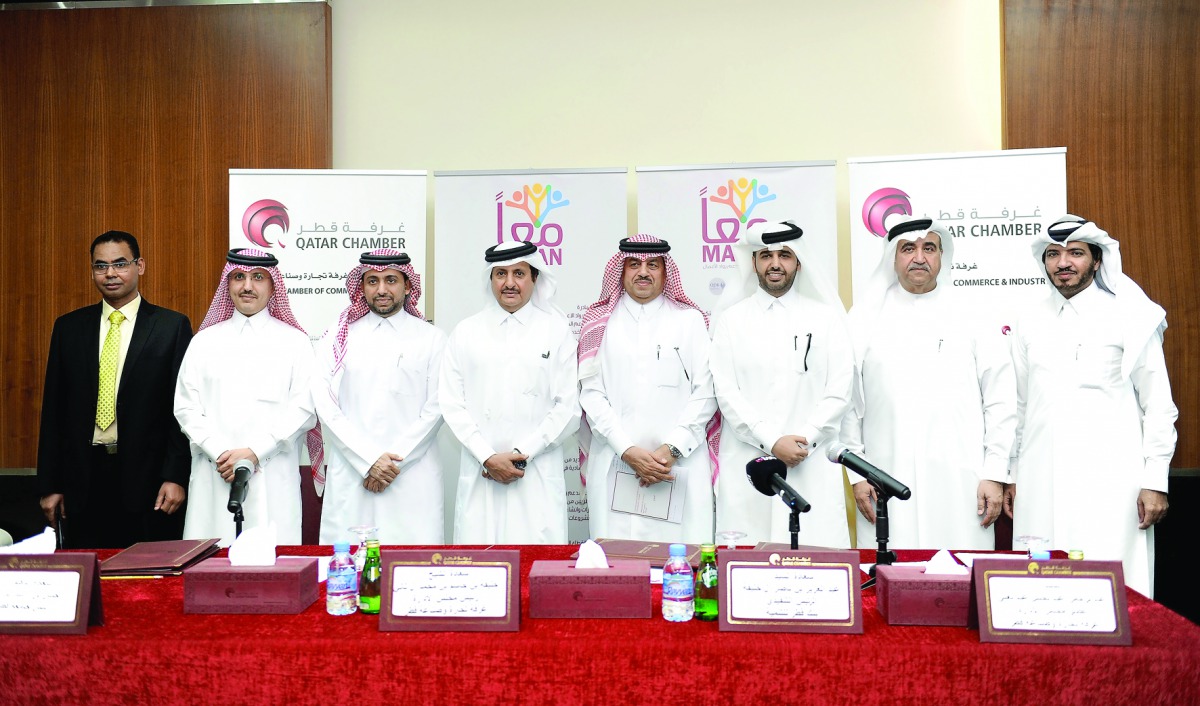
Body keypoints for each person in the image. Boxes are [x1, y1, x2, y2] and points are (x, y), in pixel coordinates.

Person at [1007, 215, 1177, 596]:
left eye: (1076, 253)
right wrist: (1013, 473)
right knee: (1042, 588)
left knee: (1113, 589)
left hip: (1111, 481)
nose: (1063, 262)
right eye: (1054, 254)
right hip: (1041, 480)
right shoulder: (1028, 320)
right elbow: (1019, 405)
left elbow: (1159, 404)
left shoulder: (1129, 315)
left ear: (1097, 261)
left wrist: (1155, 480)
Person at [841, 216, 1016, 550]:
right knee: (889, 569)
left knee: (961, 568)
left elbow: (1000, 398)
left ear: (941, 256)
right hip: (884, 477)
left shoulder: (974, 312)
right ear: (893, 256)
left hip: (961, 479)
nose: (919, 257)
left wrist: (994, 473)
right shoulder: (863, 318)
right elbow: (847, 404)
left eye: (929, 249)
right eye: (908, 248)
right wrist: (858, 474)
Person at [37, 230, 193, 549]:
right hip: (83, 481)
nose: (110, 273)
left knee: (147, 573)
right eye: (101, 265)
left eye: (120, 264)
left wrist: (175, 476)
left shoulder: (171, 327)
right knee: (90, 571)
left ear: (140, 266)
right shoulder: (69, 328)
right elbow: (54, 410)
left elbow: (181, 408)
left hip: (149, 483)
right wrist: (50, 485)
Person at [709, 220, 854, 547]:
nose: (775, 264)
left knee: (816, 559)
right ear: (753, 263)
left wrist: (806, 439)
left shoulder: (825, 318)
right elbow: (726, 393)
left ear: (798, 262)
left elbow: (840, 389)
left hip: (811, 463)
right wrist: (772, 442)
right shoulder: (731, 321)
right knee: (748, 559)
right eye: (766, 256)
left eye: (785, 255)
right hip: (750, 463)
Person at [577, 235, 718, 544]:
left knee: (683, 559)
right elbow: (591, 393)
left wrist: (672, 449)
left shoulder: (690, 321)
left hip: (679, 464)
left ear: (666, 272)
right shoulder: (599, 323)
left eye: (653, 265)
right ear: (621, 270)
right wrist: (627, 450)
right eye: (634, 264)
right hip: (615, 461)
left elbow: (707, 392)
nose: (643, 272)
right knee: (617, 561)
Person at [174, 248, 319, 545]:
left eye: (258, 277)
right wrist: (222, 454)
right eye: (239, 277)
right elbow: (186, 408)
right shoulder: (204, 342)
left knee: (273, 564)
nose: (247, 286)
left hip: (272, 477)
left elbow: (304, 410)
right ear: (228, 284)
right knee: (211, 561)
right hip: (215, 474)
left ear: (273, 286)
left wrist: (255, 452)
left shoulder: (295, 342)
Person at [439, 240, 580, 544]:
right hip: (481, 474)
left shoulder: (556, 331)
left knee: (536, 562)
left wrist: (521, 456)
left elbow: (568, 408)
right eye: (501, 274)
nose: (509, 283)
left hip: (536, 475)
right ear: (490, 279)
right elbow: (452, 404)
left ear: (535, 278)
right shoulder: (465, 333)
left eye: (519, 273)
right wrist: (487, 456)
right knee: (480, 562)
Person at [313, 249, 447, 544]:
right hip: (353, 471)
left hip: (412, 475)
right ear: (361, 287)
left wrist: (391, 463)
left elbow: (437, 409)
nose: (382, 289)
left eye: (391, 280)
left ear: (408, 286)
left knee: (411, 561)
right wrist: (368, 459)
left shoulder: (432, 338)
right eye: (372, 281)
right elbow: (325, 404)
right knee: (350, 560)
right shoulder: (337, 337)